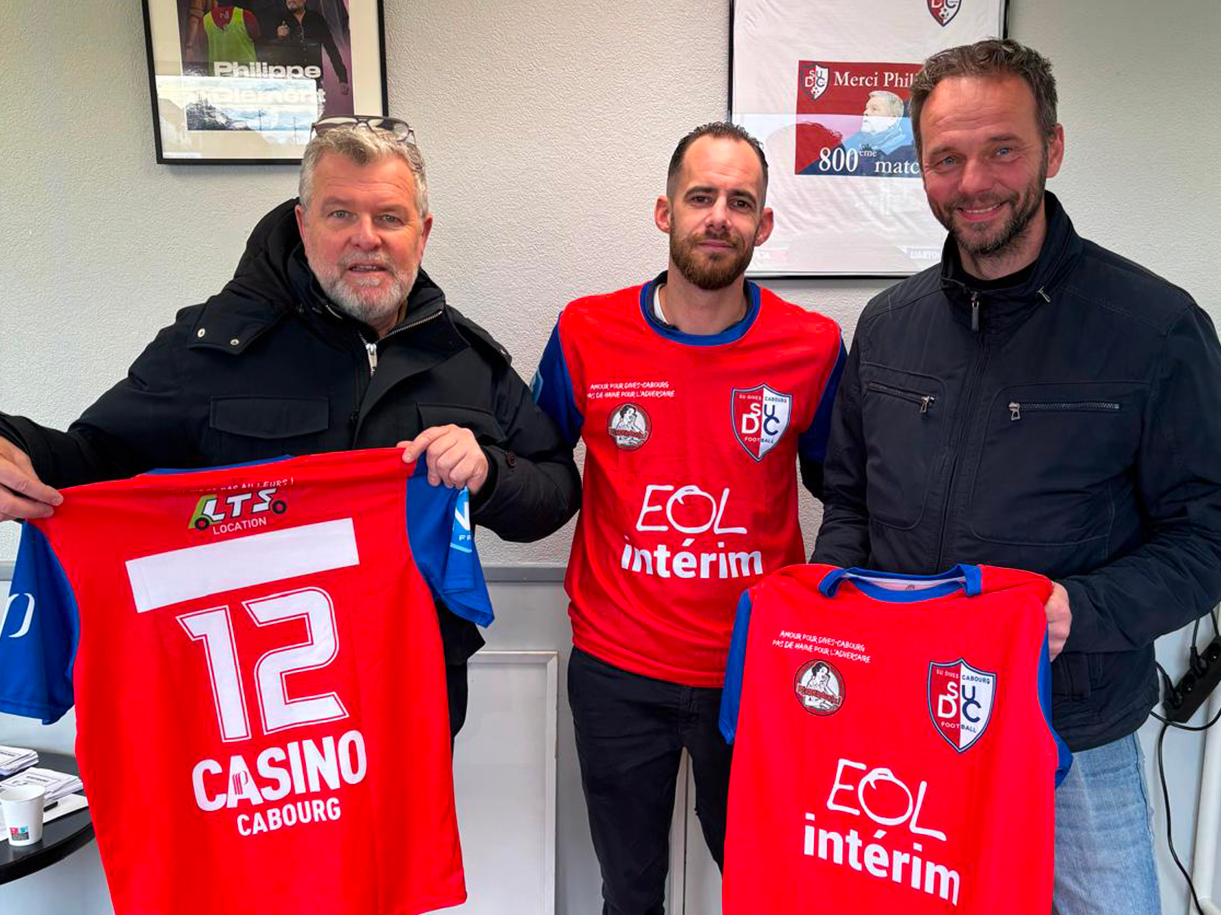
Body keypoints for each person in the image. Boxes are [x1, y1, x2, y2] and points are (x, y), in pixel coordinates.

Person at [811, 39, 1221, 914]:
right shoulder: (888, 326)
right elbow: (850, 500)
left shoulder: (1157, 327)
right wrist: (846, 617)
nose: (974, 180)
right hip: (903, 724)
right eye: (947, 157)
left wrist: (1075, 611)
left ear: (1052, 149)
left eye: (1001, 149)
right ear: (923, 168)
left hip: (1074, 736)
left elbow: (1215, 537)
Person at [0, 115, 580, 739]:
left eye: (389, 217)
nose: (367, 239)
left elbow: (554, 491)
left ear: (423, 231)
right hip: (247, 709)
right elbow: (93, 458)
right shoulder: (210, 347)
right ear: (303, 224)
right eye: (339, 215)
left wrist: (490, 473)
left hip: (413, 694)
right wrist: (14, 444)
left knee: (406, 842)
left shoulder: (467, 359)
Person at [533, 122, 844, 915]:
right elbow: (532, 469)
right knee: (629, 890)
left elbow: (853, 495)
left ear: (764, 225)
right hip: (616, 665)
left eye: (741, 202)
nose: (719, 216)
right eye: (701, 196)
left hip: (755, 671)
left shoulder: (811, 347)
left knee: (770, 884)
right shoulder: (586, 331)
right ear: (664, 210)